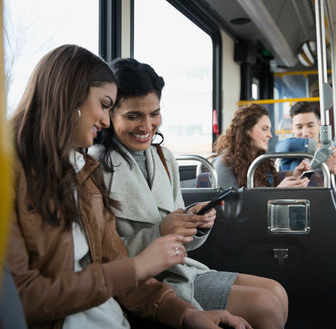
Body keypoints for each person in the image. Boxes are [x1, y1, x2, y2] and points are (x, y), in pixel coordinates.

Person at [6, 44, 250, 329]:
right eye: (105, 105)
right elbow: (20, 298)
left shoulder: (83, 173)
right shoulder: (13, 172)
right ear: (70, 97)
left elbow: (116, 265)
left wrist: (187, 315)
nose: (106, 121)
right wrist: (139, 264)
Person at [90, 58, 288, 329]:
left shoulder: (163, 158)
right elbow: (102, 253)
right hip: (145, 284)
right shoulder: (95, 167)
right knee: (266, 306)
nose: (147, 126)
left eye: (154, 113)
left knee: (277, 291)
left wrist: (195, 224)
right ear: (110, 115)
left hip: (181, 271)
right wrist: (161, 232)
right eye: (133, 116)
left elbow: (180, 242)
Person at [275, 101, 336, 329]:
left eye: (310, 125)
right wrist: (314, 146)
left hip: (329, 223)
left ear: (320, 124)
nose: (304, 131)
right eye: (299, 127)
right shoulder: (284, 155)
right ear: (292, 128)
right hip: (293, 226)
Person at [214, 103, 310, 189]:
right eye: (264, 129)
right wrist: (278, 191)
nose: (270, 135)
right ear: (246, 130)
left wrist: (295, 178)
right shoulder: (223, 164)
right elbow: (233, 205)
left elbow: (264, 198)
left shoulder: (262, 162)